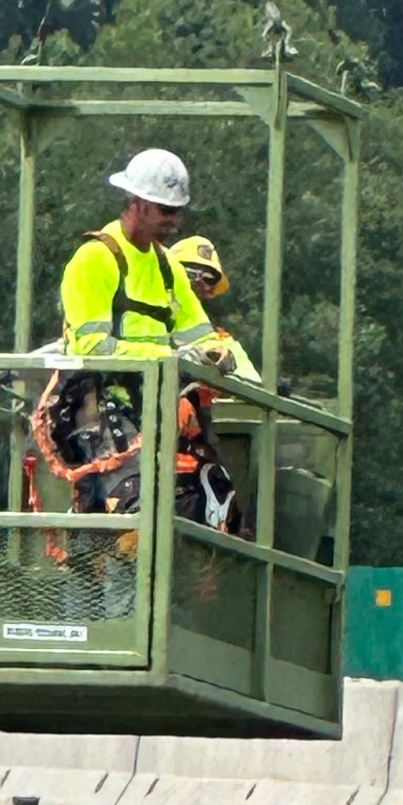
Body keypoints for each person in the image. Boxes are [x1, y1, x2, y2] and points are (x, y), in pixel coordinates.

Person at [45, 149, 243, 528]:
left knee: (216, 507)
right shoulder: (95, 259)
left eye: (177, 211)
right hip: (100, 412)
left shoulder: (168, 266)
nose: (175, 221)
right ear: (138, 203)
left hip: (158, 412)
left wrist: (218, 353)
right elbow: (91, 348)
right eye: (166, 211)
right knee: (126, 527)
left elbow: (199, 332)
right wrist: (171, 356)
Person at [166, 236, 261, 384]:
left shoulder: (220, 340)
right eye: (189, 272)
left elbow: (251, 383)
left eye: (209, 278)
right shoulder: (143, 310)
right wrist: (176, 356)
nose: (198, 281)